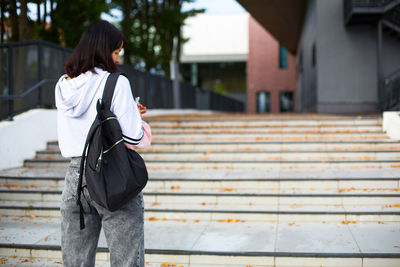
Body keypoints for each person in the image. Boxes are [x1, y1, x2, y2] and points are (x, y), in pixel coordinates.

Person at [55, 20, 151, 267]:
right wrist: (136, 116)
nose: (118, 59)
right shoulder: (116, 82)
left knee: (75, 261)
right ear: (102, 50)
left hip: (75, 181)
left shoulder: (63, 86)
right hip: (111, 175)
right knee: (126, 260)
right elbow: (133, 138)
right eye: (116, 52)